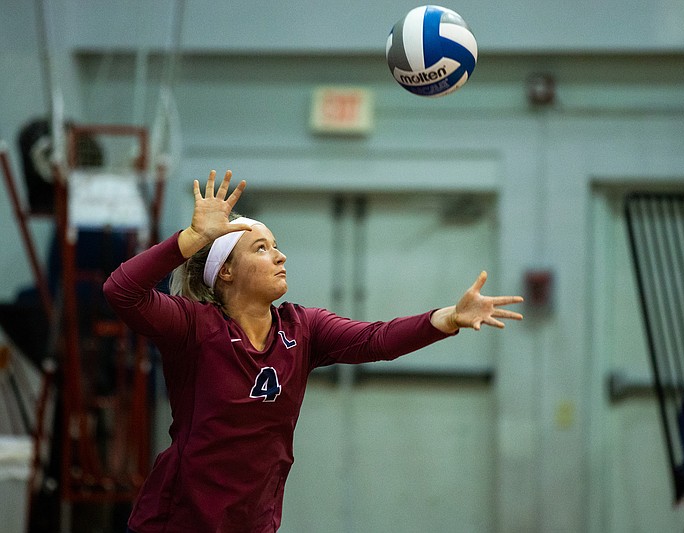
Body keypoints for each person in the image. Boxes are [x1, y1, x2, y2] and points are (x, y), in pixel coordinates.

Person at [104, 169, 524, 533]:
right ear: (226, 271)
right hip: (175, 523)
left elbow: (377, 339)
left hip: (253, 524)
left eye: (276, 245)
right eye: (262, 248)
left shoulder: (302, 328)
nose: (281, 256)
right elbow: (121, 291)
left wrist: (449, 317)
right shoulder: (194, 327)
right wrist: (190, 239)